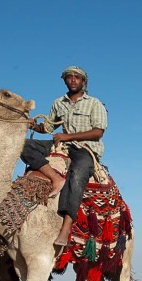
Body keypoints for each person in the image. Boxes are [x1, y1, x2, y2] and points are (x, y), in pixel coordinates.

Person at [22, 66, 108, 253]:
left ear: (83, 82)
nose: (73, 80)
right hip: (62, 145)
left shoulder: (94, 103)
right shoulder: (58, 103)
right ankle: (54, 177)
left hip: (85, 148)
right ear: (65, 81)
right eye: (69, 77)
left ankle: (66, 226)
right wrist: (36, 127)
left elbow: (98, 132)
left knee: (77, 174)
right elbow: (49, 126)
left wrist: (68, 137)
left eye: (77, 77)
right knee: (22, 145)